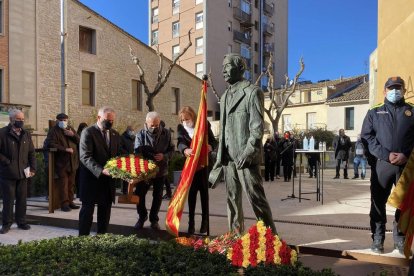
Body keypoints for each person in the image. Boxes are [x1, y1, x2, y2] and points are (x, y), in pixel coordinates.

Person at [208, 53, 277, 234]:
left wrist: (248, 152)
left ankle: (270, 239)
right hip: (229, 159)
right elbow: (223, 132)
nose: (223, 70)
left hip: (246, 157)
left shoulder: (252, 92)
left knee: (256, 199)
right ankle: (235, 237)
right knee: (232, 200)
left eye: (228, 65)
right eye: (222, 66)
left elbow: (256, 128)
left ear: (240, 68)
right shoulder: (223, 98)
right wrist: (218, 158)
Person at [361, 76, 414, 254]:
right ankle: (377, 238)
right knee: (377, 202)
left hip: (406, 167)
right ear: (384, 91)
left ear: (404, 90)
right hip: (382, 165)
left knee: (402, 203)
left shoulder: (412, 111)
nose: (395, 91)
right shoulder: (374, 112)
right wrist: (385, 155)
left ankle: (400, 238)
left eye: (398, 87)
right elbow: (366, 137)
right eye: (391, 88)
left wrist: (406, 155)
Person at [78, 107, 124, 236]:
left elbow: (119, 154)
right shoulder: (88, 132)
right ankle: (82, 239)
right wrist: (101, 170)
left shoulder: (115, 134)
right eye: (107, 120)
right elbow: (85, 157)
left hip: (108, 181)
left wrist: (125, 167)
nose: (110, 122)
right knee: (87, 211)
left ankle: (102, 237)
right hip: (91, 179)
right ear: (98, 118)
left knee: (105, 211)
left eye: (112, 120)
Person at [177, 106, 217, 234]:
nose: (185, 122)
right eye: (183, 119)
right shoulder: (181, 128)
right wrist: (184, 149)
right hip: (191, 166)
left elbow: (213, 141)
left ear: (193, 117)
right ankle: (191, 223)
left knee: (204, 195)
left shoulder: (203, 124)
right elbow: (180, 142)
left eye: (187, 119)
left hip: (204, 165)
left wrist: (211, 147)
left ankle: (205, 222)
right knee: (192, 195)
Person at [134, 112, 174, 230]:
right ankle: (142, 217)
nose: (154, 127)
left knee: (158, 196)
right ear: (146, 123)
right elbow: (137, 153)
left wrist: (164, 156)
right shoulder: (140, 134)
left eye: (157, 125)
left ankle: (154, 219)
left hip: (161, 171)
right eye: (152, 125)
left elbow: (172, 150)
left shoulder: (166, 133)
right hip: (145, 172)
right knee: (139, 195)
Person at [0, 109, 36, 234]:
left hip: (23, 172)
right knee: (8, 200)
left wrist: (32, 168)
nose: (21, 121)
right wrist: (7, 162)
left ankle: (21, 222)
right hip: (8, 173)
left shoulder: (26, 134)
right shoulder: (2, 133)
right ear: (11, 120)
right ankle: (6, 224)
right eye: (18, 119)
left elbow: (31, 152)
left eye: (22, 119)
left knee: (22, 199)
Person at [47, 113, 80, 212]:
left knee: (71, 184)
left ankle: (70, 201)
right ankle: (64, 204)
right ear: (57, 121)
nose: (64, 122)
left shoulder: (70, 128)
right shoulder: (54, 131)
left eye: (65, 120)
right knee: (63, 184)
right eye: (62, 120)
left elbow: (79, 141)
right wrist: (65, 149)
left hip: (72, 161)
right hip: (61, 162)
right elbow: (51, 144)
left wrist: (73, 135)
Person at [121, 125, 136, 195]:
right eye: (131, 131)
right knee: (125, 175)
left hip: (133, 158)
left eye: (133, 130)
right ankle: (124, 190)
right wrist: (127, 154)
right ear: (128, 131)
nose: (133, 132)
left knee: (131, 175)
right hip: (125, 158)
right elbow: (120, 148)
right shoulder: (122, 137)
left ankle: (129, 190)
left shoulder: (133, 138)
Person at [160, 120, 173, 200]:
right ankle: (168, 193)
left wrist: (165, 157)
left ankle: (168, 193)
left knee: (164, 177)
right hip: (165, 159)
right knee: (165, 177)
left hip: (163, 159)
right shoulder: (166, 133)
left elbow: (170, 148)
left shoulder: (165, 134)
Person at [75, 122, 88, 199]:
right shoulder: (79, 136)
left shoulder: (83, 135)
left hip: (82, 159)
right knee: (80, 177)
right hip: (79, 159)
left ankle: (80, 193)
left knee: (81, 178)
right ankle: (79, 193)